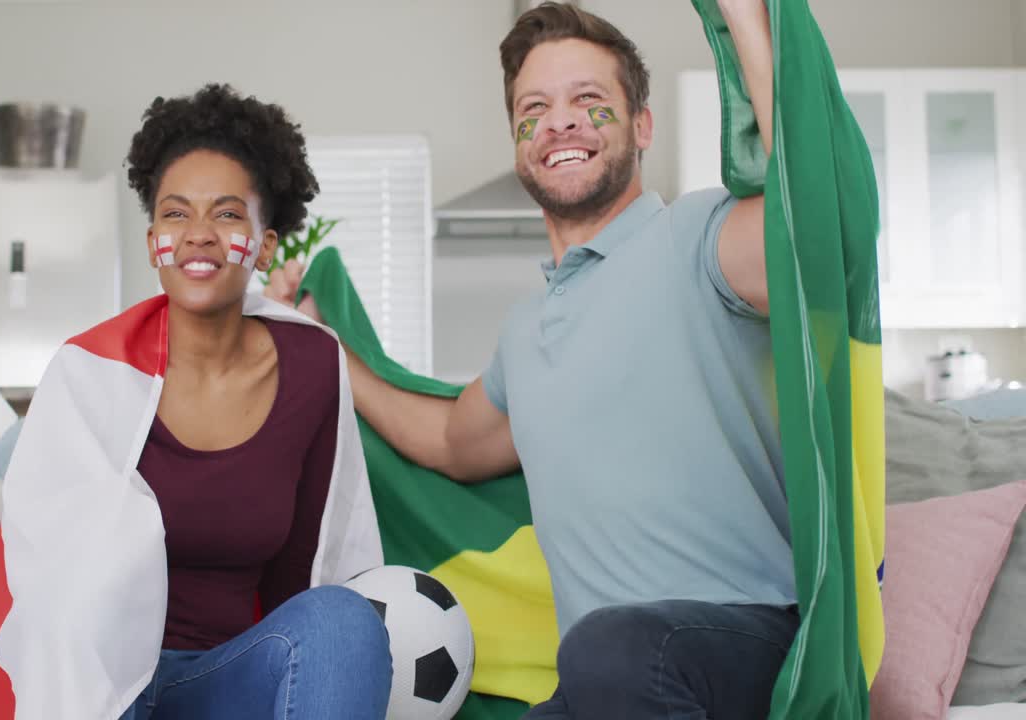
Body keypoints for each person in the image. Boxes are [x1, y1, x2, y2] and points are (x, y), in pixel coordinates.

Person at [267, 2, 804, 717]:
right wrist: (326, 347)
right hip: (608, 678)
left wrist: (746, 21)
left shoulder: (698, 238)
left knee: (611, 649)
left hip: (746, 643)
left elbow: (811, 228)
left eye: (590, 101)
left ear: (643, 125)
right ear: (520, 141)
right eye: (536, 108)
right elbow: (448, 443)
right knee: (597, 662)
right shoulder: (525, 333)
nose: (560, 122)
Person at [118, 83, 391, 720]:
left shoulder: (313, 365)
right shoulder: (99, 373)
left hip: (232, 674)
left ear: (265, 245)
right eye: (176, 213)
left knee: (342, 620)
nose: (199, 236)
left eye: (228, 214)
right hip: (109, 680)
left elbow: (316, 556)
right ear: (153, 236)